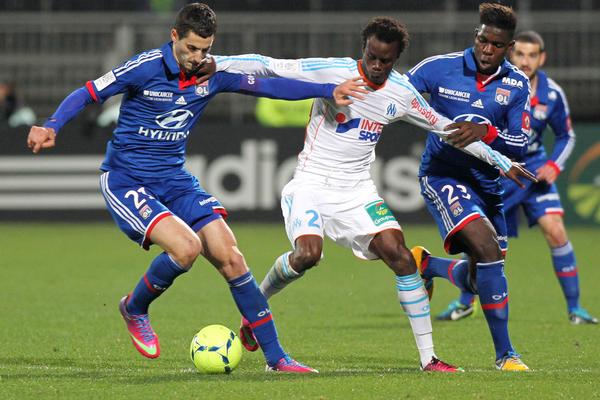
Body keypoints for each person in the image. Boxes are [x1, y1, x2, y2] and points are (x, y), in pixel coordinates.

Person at [26, 2, 367, 374]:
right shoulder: (145, 67)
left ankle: (277, 359)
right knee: (186, 248)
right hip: (127, 180)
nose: (197, 57)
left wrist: (328, 89)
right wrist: (51, 125)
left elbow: (268, 86)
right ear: (174, 36)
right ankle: (134, 308)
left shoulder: (212, 73)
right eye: (191, 48)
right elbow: (90, 92)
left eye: (205, 49)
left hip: (175, 180)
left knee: (231, 256)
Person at [212, 16, 535, 372]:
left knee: (401, 256)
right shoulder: (333, 71)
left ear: (396, 59)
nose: (377, 66)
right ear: (363, 49)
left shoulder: (401, 93)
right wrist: (215, 63)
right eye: (371, 57)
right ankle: (255, 309)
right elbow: (269, 66)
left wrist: (501, 161)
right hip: (311, 184)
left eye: (386, 61)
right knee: (307, 255)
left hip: (357, 191)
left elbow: (449, 130)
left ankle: (428, 359)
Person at [435, 31, 598, 325]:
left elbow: (566, 135)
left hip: (534, 172)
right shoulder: (497, 85)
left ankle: (576, 309)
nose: (525, 61)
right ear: (511, 54)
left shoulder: (551, 94)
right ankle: (465, 301)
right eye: (520, 54)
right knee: (482, 244)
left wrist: (554, 165)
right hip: (499, 171)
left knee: (556, 231)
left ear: (541, 58)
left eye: (532, 55)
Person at [405, 3, 533, 371]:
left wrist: (487, 132)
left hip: (487, 184)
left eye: (497, 44)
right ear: (475, 35)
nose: (487, 49)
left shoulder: (516, 84)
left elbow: (520, 143)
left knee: (483, 277)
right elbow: (396, 94)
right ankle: (506, 355)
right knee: (487, 249)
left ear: (509, 47)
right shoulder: (438, 67)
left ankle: (428, 265)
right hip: (442, 174)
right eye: (483, 40)